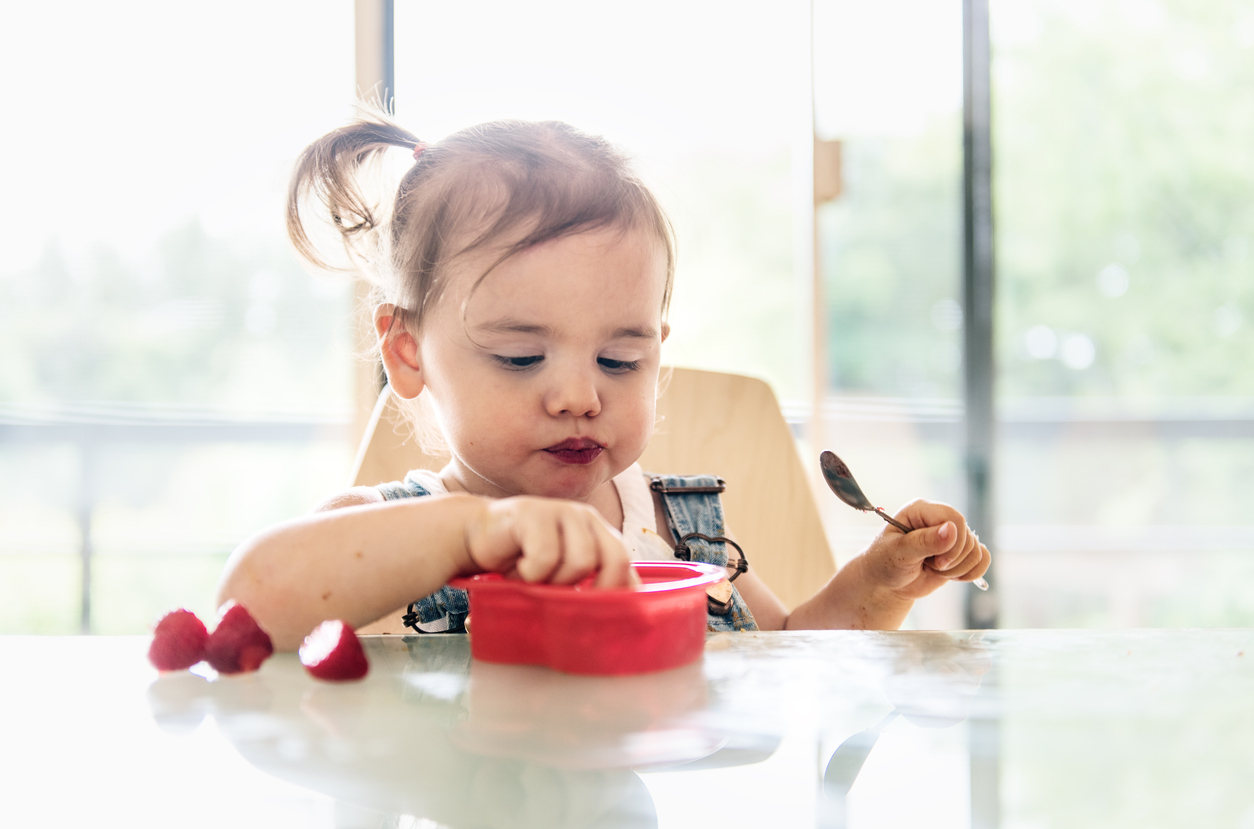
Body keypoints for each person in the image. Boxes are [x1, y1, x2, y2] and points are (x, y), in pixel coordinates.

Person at [216, 107, 991, 651]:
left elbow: (789, 659)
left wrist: (877, 587)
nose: (581, 396)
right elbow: (246, 604)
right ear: (409, 350)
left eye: (621, 360)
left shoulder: (676, 527)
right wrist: (466, 534)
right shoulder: (386, 531)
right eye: (522, 357)